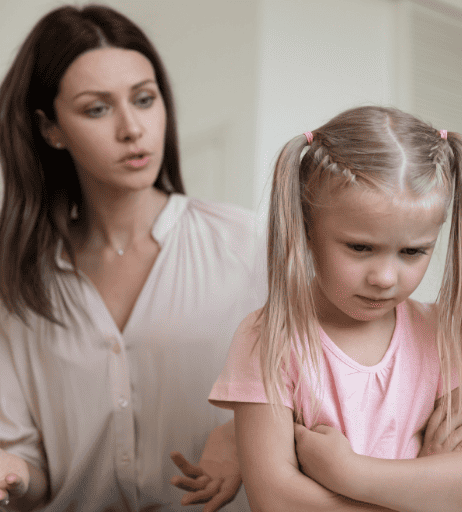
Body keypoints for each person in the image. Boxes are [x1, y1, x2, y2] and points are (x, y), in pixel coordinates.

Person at [0, 4, 264, 511]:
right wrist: (12, 472)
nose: (132, 128)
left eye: (144, 100)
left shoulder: (250, 245)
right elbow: (34, 479)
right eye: (97, 109)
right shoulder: (20, 285)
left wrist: (242, 430)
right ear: (51, 129)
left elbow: (336, 388)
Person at [209, 106, 462, 511]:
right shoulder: (269, 336)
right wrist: (428, 491)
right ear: (307, 230)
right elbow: (278, 502)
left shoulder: (442, 334)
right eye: (360, 247)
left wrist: (350, 473)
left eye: (413, 251)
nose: (385, 277)